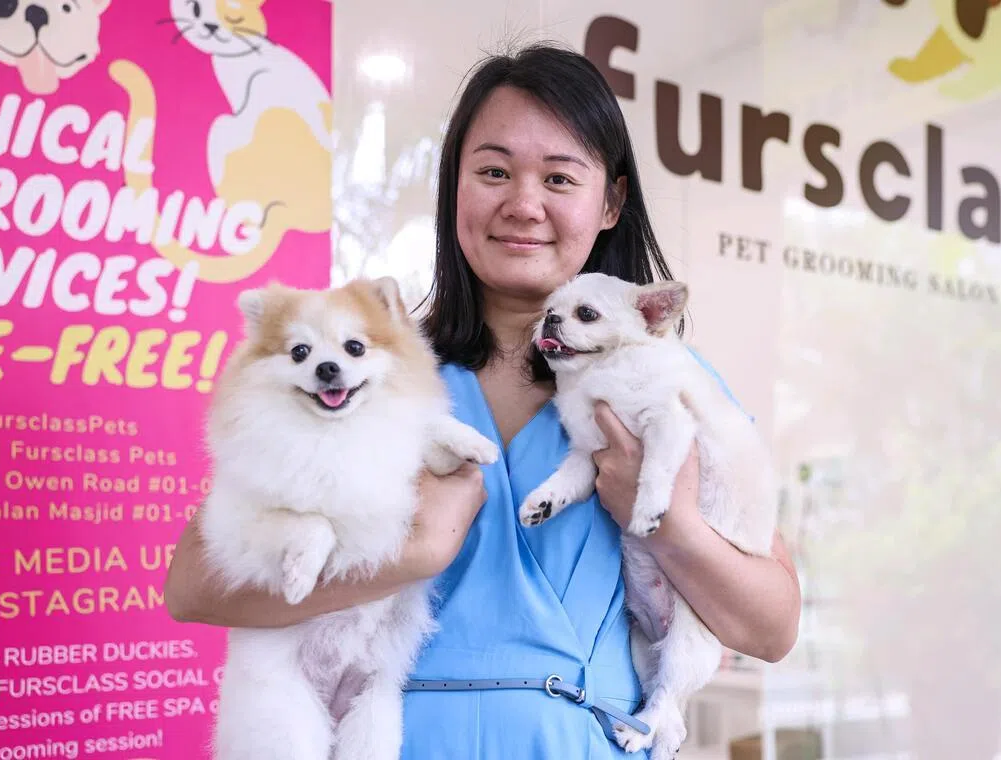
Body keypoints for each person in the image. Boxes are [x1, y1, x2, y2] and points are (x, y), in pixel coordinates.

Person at [163, 42, 801, 758]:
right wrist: (415, 553)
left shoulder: (666, 383)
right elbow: (194, 585)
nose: (523, 205)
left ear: (611, 202)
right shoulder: (375, 372)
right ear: (455, 188)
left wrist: (672, 525)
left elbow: (771, 629)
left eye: (560, 178)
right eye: (493, 171)